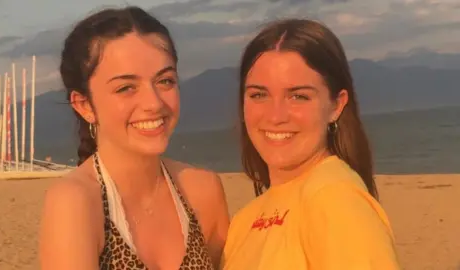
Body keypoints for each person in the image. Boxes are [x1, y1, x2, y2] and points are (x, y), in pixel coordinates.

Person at [39, 6, 229, 270]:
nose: (153, 103)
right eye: (126, 88)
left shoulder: (202, 191)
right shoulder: (76, 202)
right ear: (84, 105)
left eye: (165, 81)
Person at [222, 19, 401, 269]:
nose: (275, 116)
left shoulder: (335, 199)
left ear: (336, 105)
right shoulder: (245, 220)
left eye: (298, 96)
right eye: (259, 95)